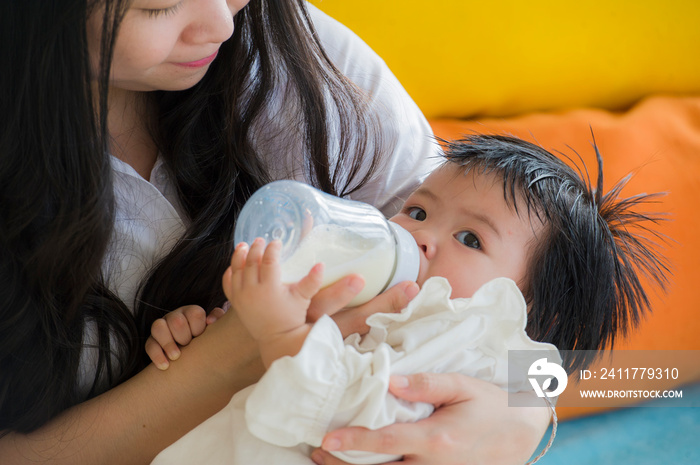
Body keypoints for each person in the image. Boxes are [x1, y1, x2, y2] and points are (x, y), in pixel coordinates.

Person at [0, 2, 555, 465]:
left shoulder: (296, 53)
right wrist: (220, 354)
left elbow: (541, 319)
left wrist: (525, 415)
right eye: (158, 4)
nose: (221, 23)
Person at [147, 134, 669, 465]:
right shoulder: (368, 294)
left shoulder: (470, 345)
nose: (420, 236)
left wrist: (282, 336)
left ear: (525, 312)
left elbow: (362, 422)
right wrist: (219, 330)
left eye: (471, 239)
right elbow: (249, 371)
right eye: (418, 211)